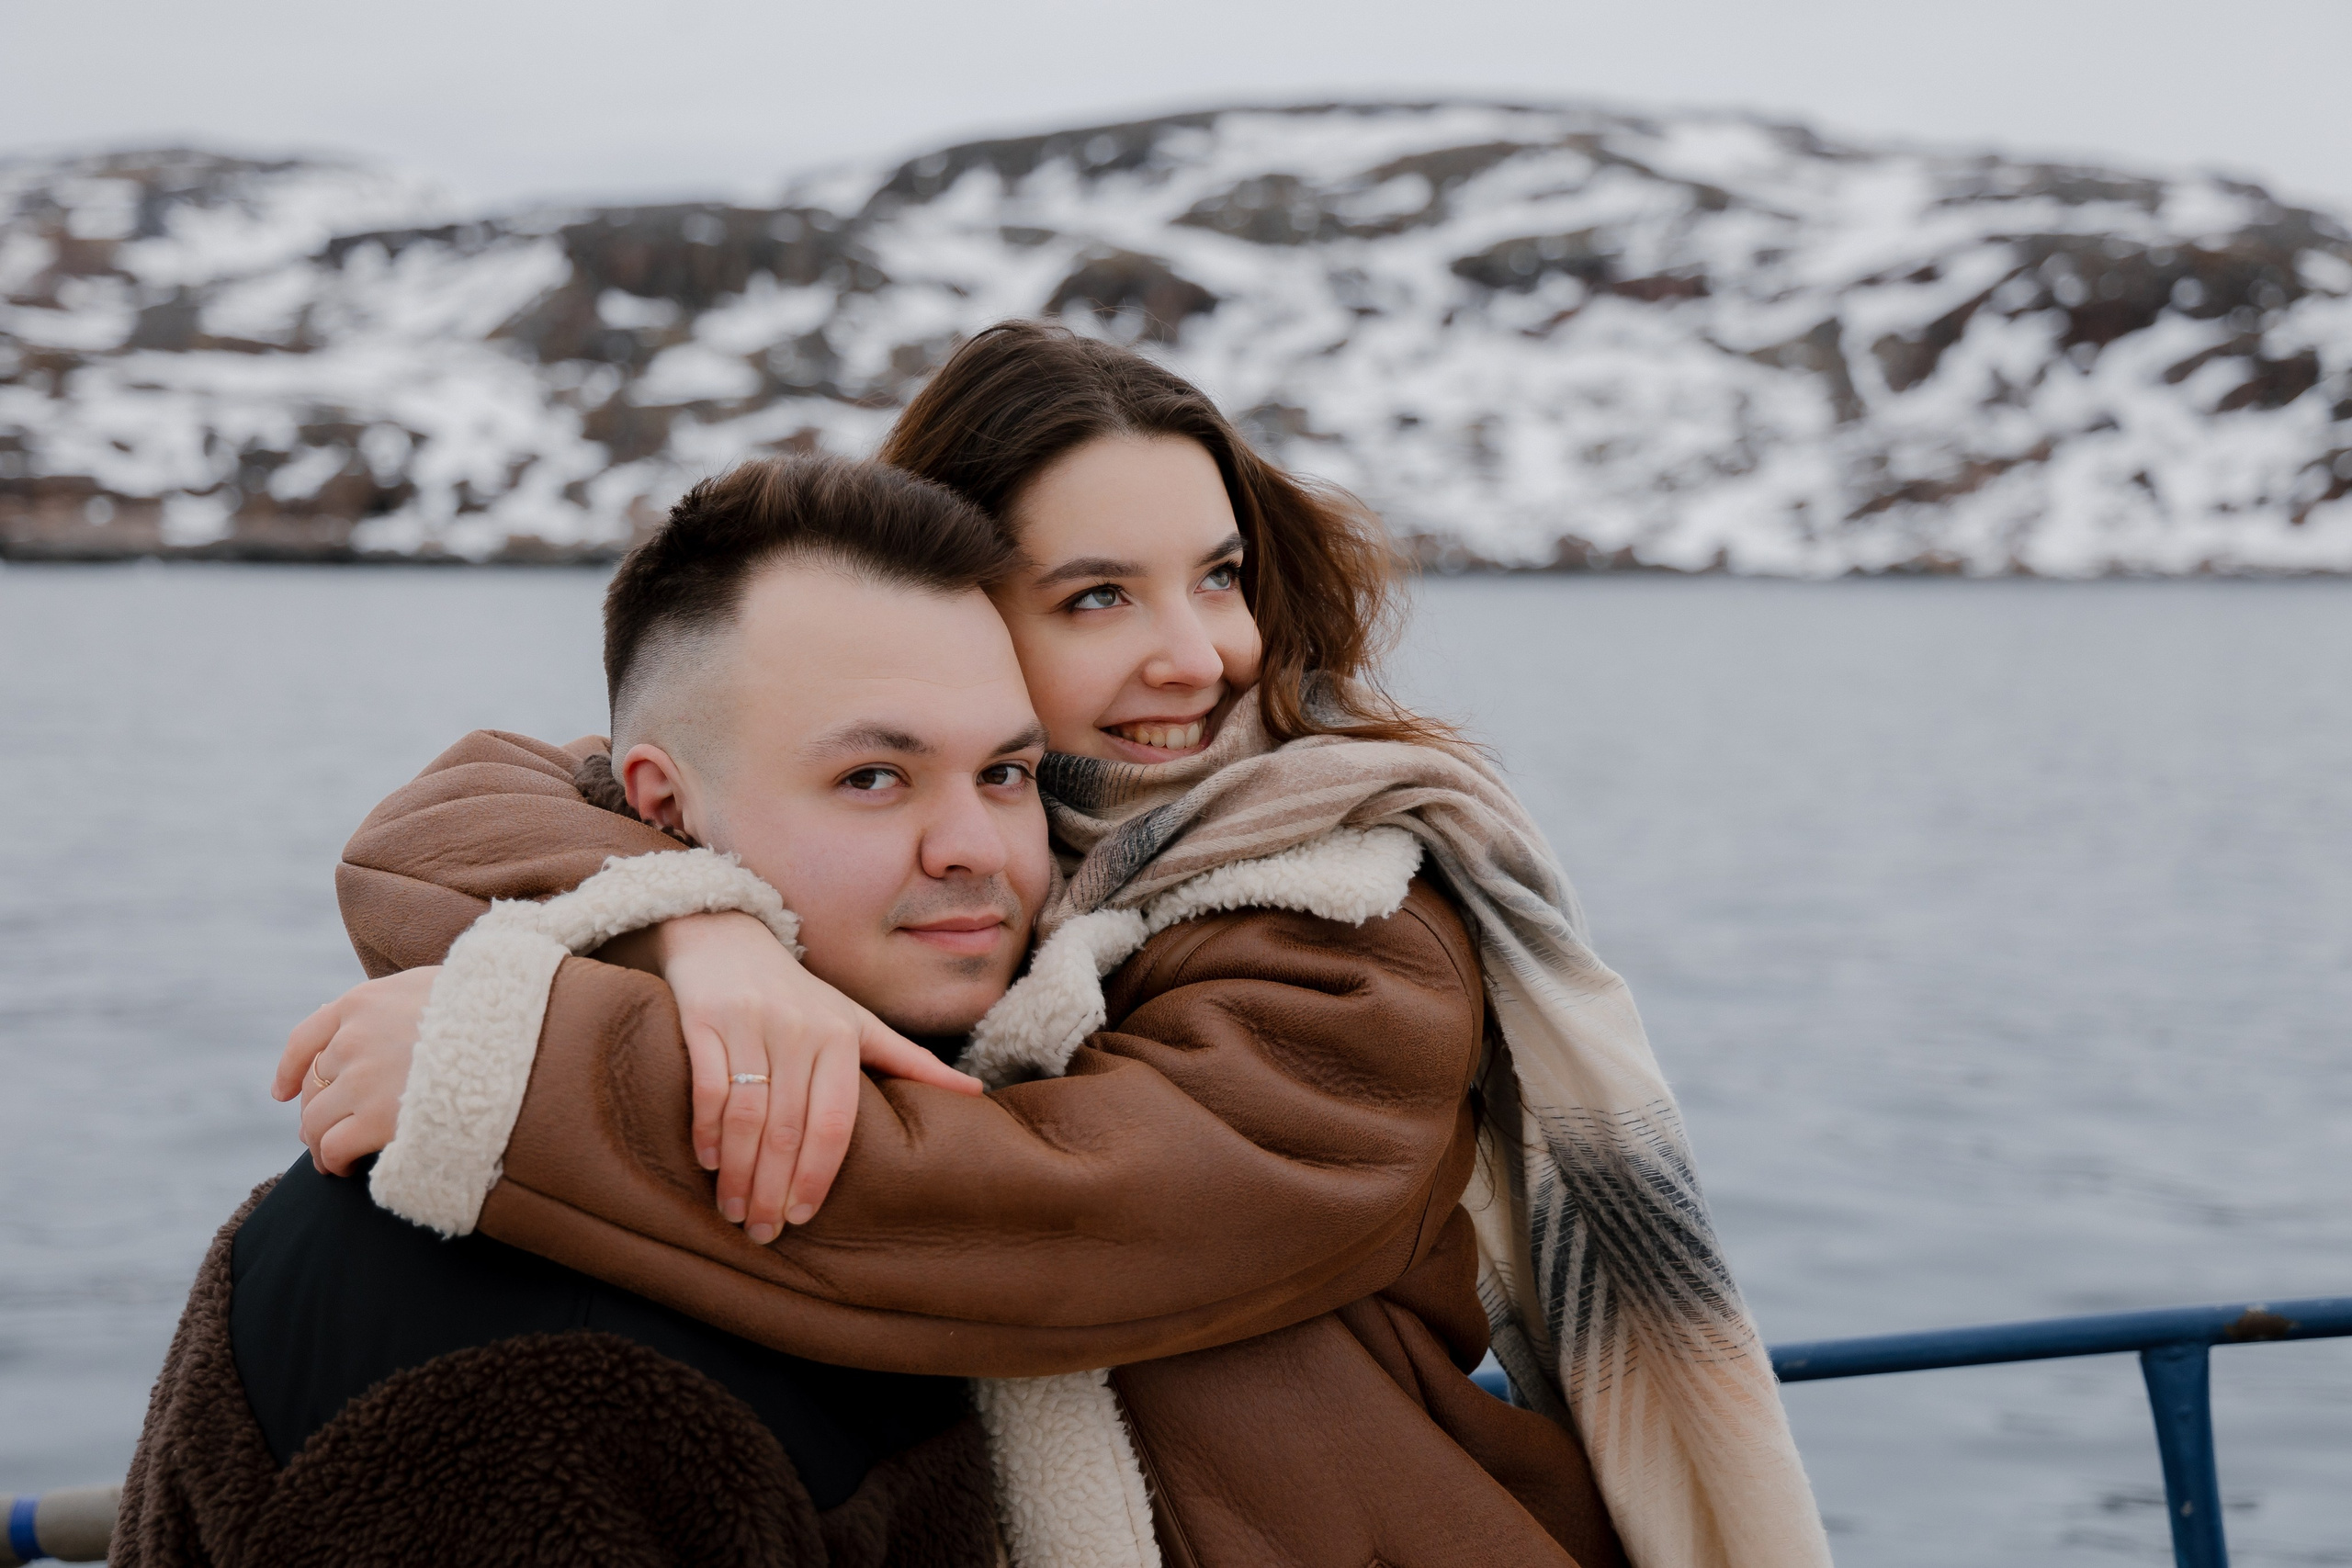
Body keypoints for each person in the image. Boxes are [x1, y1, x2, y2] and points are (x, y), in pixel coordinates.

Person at [282, 321, 1830, 1568]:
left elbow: (1040, 1209)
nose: (1203, 652)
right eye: (1101, 595)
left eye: (1221, 573)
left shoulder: (1357, 919)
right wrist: (701, 929)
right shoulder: (989, 837)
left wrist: (512, 1066)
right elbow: (459, 807)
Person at [113, 457, 1042, 1567]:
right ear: (661, 804)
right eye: (874, 778)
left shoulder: (1002, 1072)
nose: (978, 848)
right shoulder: (525, 1348)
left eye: (1007, 773)